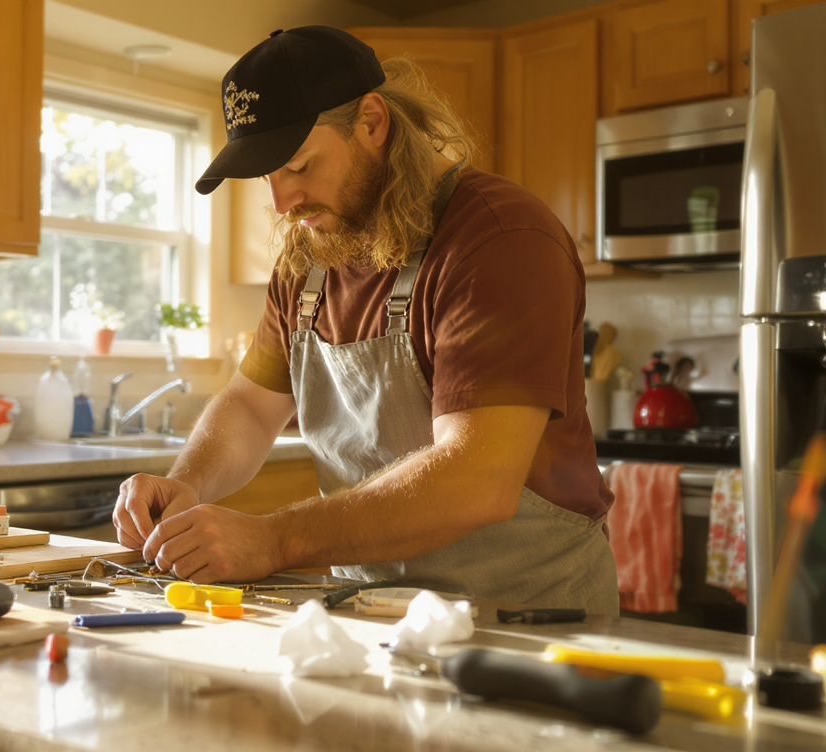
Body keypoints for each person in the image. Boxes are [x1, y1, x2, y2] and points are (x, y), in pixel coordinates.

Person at [112, 26, 619, 614]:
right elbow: (253, 407)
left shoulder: (501, 240)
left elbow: (478, 478)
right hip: (368, 616)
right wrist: (188, 483)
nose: (282, 203)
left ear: (373, 122)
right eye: (268, 179)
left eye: (298, 165)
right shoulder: (307, 260)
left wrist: (276, 537)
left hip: (524, 622)